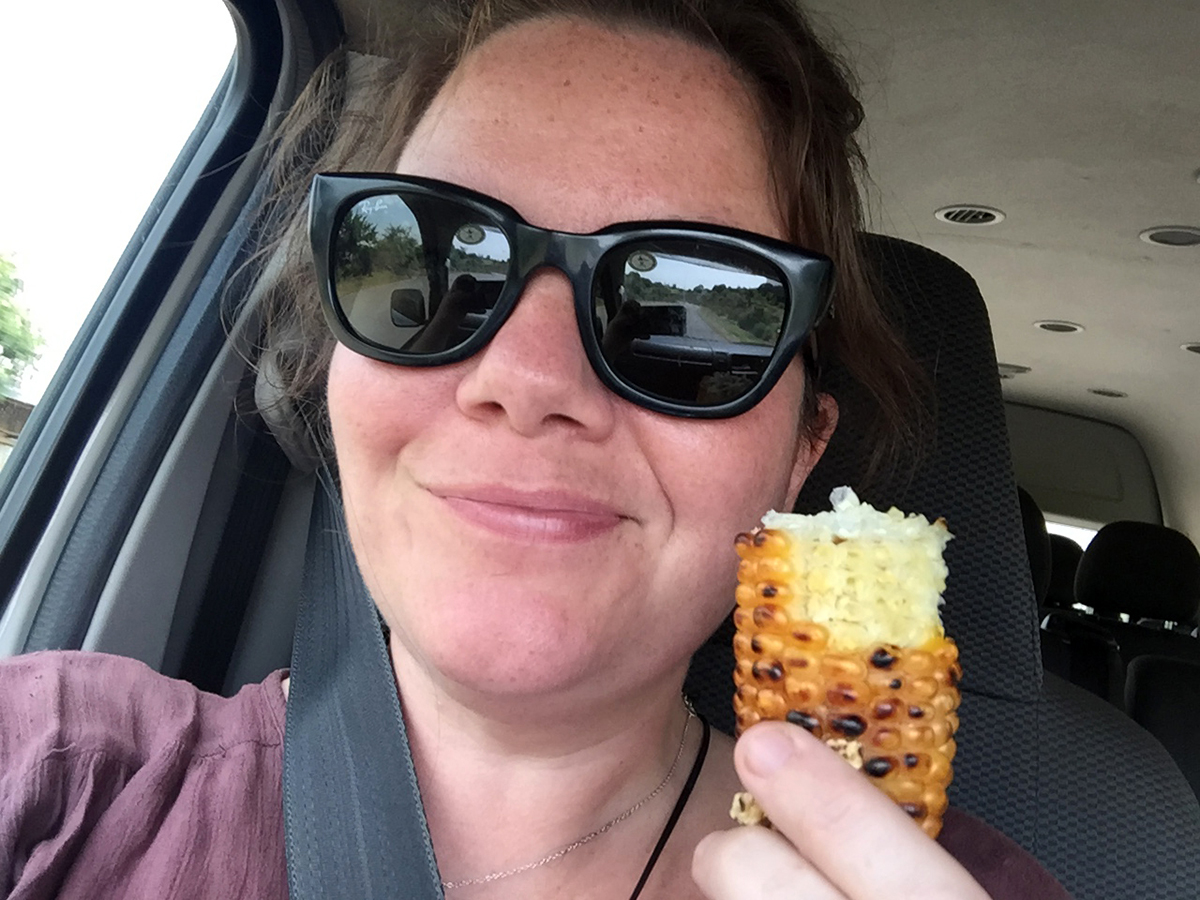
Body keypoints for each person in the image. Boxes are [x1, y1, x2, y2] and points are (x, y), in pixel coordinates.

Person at [0, 1, 1073, 898]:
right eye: (430, 260)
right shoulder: (54, 776)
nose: (527, 380)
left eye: (687, 311)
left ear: (803, 452)